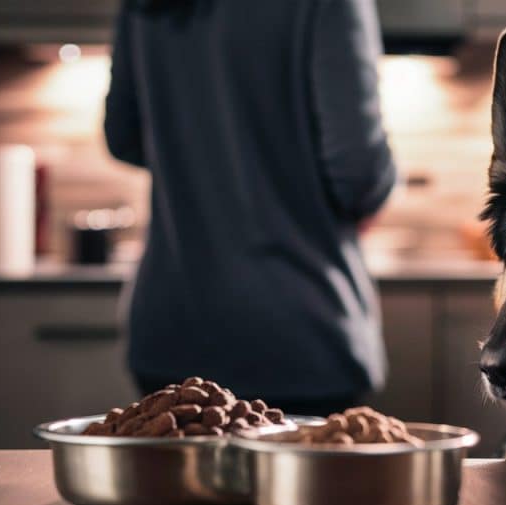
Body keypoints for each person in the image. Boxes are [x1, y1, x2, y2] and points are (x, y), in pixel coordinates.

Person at [104, 0, 396, 416]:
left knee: (176, 483)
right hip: (297, 334)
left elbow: (123, 136)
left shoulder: (144, 7)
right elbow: (360, 175)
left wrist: (199, 158)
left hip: (171, 331)